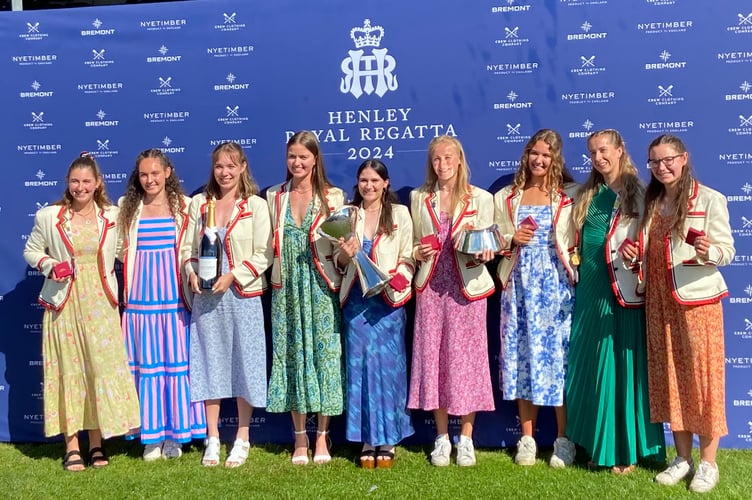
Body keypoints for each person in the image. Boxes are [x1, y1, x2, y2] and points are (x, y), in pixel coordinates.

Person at [23, 153, 140, 471]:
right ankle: (72, 446)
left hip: (101, 303)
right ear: (67, 183)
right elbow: (32, 250)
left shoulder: (112, 216)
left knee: (98, 370)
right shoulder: (49, 216)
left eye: (86, 181)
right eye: (75, 181)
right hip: (64, 304)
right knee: (69, 373)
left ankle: (97, 445)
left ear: (98, 183)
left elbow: (124, 250)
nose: (80, 187)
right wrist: (49, 265)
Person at [632, 134, 734, 493]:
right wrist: (636, 259)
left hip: (697, 304)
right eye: (655, 162)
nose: (662, 167)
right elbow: (650, 251)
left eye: (668, 160)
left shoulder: (710, 199)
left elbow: (727, 250)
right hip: (659, 302)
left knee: (702, 381)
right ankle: (682, 458)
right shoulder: (652, 202)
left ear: (684, 158)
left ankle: (708, 464)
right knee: (671, 379)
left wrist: (711, 251)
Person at [566, 129, 666, 474]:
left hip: (623, 289)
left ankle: (625, 451)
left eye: (604, 150)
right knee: (595, 366)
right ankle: (598, 443)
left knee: (624, 368)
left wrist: (638, 254)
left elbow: (652, 243)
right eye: (592, 152)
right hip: (591, 289)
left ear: (621, 150)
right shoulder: (587, 193)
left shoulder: (640, 194)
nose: (598, 158)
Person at [182, 142, 273, 468]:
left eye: (231, 166)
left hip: (242, 295)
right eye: (220, 166)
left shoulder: (256, 206)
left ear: (243, 167)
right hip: (207, 299)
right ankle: (213, 438)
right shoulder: (198, 204)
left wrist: (233, 275)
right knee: (210, 362)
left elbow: (264, 253)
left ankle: (243, 437)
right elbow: (186, 250)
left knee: (245, 363)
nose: (225, 172)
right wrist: (192, 272)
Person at [408, 135, 496, 467]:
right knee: (435, 362)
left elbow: (493, 241)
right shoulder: (419, 198)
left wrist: (488, 250)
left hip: (467, 290)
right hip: (431, 288)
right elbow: (412, 243)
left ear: (459, 159)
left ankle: (467, 439)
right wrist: (418, 252)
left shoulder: (481, 198)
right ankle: (442, 438)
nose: (442, 165)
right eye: (436, 160)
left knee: (468, 363)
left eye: (448, 158)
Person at [494, 129, 578, 468]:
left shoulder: (567, 197)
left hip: (556, 286)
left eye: (546, 155)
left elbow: (577, 241)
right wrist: (511, 238)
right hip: (518, 285)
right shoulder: (508, 197)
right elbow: (493, 240)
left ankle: (564, 440)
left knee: (558, 360)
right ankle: (526, 439)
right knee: (522, 358)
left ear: (555, 159)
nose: (539, 160)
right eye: (534, 153)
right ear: (526, 155)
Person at [117, 149, 206, 461]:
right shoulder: (127, 208)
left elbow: (194, 246)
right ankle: (150, 438)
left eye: (155, 173)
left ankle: (175, 435)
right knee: (147, 369)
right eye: (143, 174)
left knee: (174, 368)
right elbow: (117, 250)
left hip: (174, 301)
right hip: (141, 304)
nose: (150, 180)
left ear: (168, 172)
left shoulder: (185, 205)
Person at [266, 131, 345, 465]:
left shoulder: (333, 196)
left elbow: (341, 245)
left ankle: (323, 438)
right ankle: (300, 438)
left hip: (321, 285)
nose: (297, 163)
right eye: (292, 157)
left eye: (303, 157)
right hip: (286, 288)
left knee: (325, 357)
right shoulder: (274, 196)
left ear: (315, 159)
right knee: (292, 354)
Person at [335, 159, 415, 469]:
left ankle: (389, 439)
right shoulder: (347, 215)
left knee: (388, 370)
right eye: (363, 180)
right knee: (361, 371)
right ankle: (368, 439)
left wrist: (399, 277)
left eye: (374, 180)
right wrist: (345, 254)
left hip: (388, 302)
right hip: (356, 303)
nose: (369, 186)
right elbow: (338, 263)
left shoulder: (400, 214)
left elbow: (408, 255)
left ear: (386, 183)